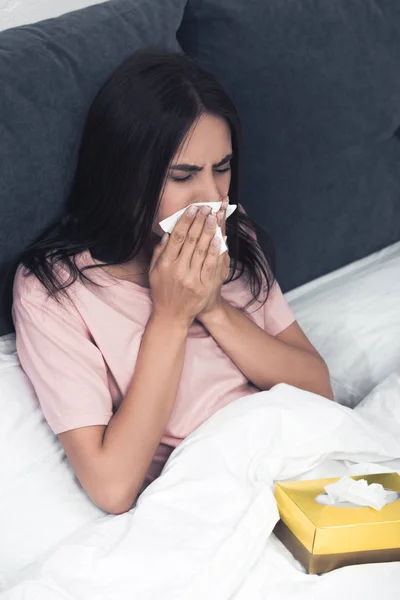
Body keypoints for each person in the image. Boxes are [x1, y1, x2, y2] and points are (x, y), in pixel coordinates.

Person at [12, 50, 333, 515]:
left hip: (301, 452)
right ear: (124, 175)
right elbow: (113, 487)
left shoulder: (233, 236)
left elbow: (319, 389)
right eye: (183, 176)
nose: (211, 197)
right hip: (212, 490)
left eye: (222, 168)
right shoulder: (54, 290)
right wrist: (171, 315)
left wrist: (215, 309)